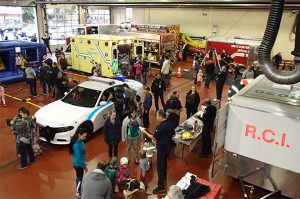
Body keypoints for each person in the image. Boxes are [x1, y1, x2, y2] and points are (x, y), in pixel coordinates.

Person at [140, 110, 175, 194]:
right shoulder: (170, 123)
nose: (156, 117)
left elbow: (153, 138)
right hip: (168, 147)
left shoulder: (160, 128)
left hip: (162, 149)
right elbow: (173, 133)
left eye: (157, 116)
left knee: (159, 167)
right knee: (164, 164)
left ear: (160, 116)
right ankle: (164, 177)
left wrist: (145, 132)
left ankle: (161, 187)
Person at [69, 128, 88, 198]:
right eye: (84, 136)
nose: (85, 138)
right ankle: (78, 193)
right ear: (79, 135)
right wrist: (84, 167)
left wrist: (84, 162)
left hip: (79, 163)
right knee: (79, 179)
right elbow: (79, 158)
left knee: (79, 177)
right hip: (78, 165)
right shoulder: (76, 146)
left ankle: (79, 190)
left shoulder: (79, 142)